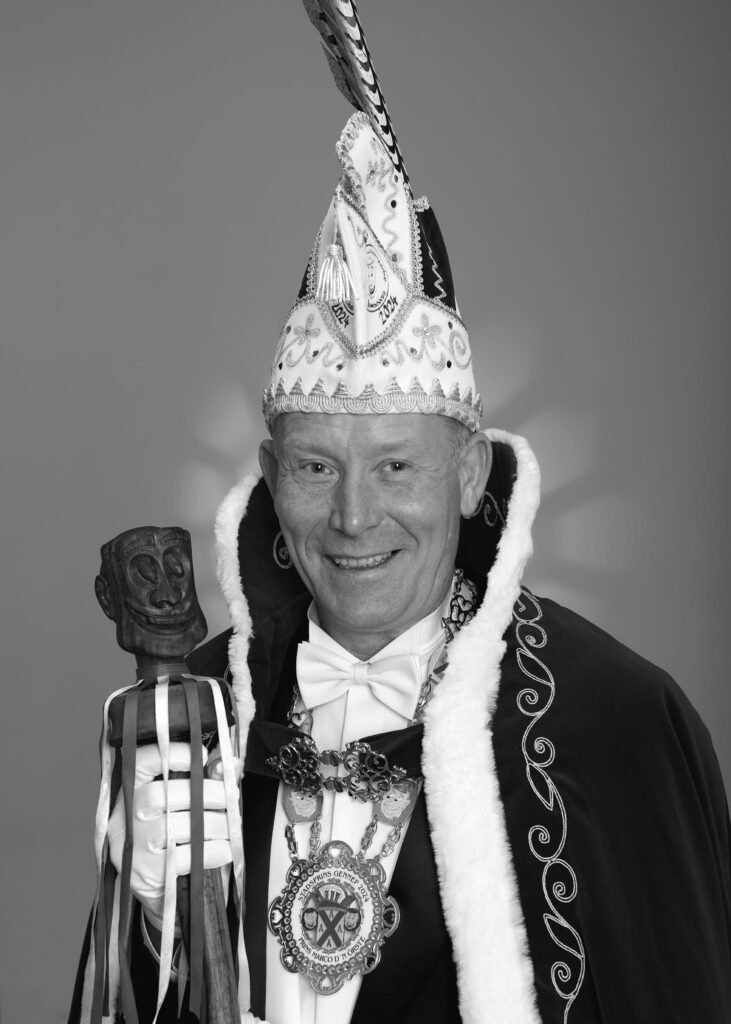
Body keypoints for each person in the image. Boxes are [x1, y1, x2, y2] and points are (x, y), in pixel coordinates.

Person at [69, 2, 731, 1022]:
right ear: (266, 473)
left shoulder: (617, 724)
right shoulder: (190, 714)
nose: (352, 517)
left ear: (468, 473)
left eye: (395, 466)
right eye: (315, 467)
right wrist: (151, 923)